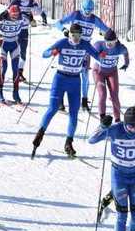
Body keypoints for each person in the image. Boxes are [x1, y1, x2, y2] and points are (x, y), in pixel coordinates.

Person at [32, 22, 103, 157]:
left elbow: (98, 57)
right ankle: (40, 133)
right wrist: (52, 52)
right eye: (73, 35)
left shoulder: (85, 44)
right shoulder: (63, 42)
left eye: (78, 35)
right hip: (60, 79)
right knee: (52, 108)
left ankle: (69, 142)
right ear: (69, 34)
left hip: (75, 81)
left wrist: (103, 56)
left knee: (73, 113)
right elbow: (44, 54)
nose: (76, 38)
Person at [56, 0, 109, 112]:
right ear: (82, 7)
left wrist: (111, 39)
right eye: (86, 10)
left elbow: (107, 30)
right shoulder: (76, 14)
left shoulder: (94, 19)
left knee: (85, 76)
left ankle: (84, 101)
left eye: (90, 11)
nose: (88, 13)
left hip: (85, 49)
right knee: (67, 73)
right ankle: (60, 100)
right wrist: (64, 30)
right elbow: (58, 23)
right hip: (71, 46)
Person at [93, 29, 129, 123]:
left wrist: (126, 63)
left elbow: (126, 53)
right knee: (102, 94)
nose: (109, 44)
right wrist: (99, 55)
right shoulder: (99, 45)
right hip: (99, 72)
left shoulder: (119, 48)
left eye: (111, 42)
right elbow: (90, 53)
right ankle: (102, 118)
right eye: (107, 42)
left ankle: (117, 120)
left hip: (112, 72)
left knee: (114, 95)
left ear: (115, 40)